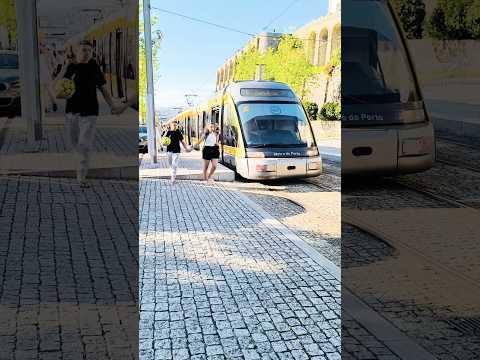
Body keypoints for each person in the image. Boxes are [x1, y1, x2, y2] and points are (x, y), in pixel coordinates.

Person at [54, 39, 125, 188]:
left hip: (90, 111)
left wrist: (113, 105)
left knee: (84, 144)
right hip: (71, 111)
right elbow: (57, 86)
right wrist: (64, 67)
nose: (86, 53)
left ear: (92, 52)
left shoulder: (94, 67)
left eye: (88, 50)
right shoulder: (71, 67)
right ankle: (80, 161)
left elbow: (103, 89)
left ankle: (81, 176)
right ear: (77, 51)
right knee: (73, 143)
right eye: (83, 50)